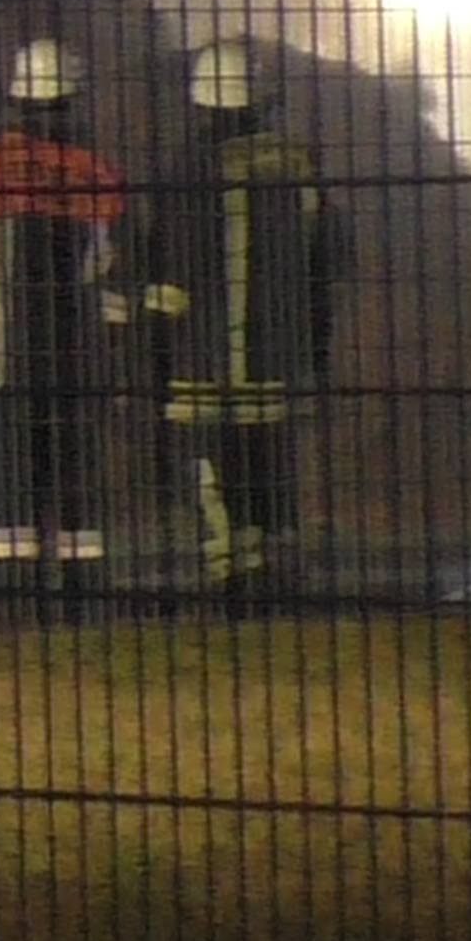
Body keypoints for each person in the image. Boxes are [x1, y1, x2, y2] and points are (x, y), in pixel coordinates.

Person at [147, 39, 344, 605]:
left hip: (203, 348)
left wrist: (150, 333)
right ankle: (269, 566)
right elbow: (329, 254)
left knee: (207, 459)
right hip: (280, 349)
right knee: (266, 461)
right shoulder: (298, 164)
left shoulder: (188, 167)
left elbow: (169, 260)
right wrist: (313, 339)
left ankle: (230, 570)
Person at [0, 38, 134, 622]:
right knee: (74, 481)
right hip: (77, 352)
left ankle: (9, 605)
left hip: (2, 350)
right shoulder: (97, 172)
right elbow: (113, 263)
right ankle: (81, 603)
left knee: (9, 480)